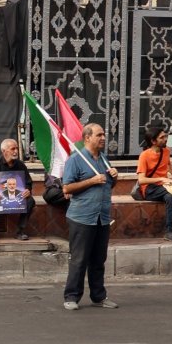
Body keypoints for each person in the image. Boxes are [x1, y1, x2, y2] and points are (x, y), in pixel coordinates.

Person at [59, 122, 119, 311]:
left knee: (98, 259)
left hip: (102, 216)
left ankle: (98, 296)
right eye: (99, 135)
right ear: (87, 137)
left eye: (103, 135)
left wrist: (114, 177)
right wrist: (92, 180)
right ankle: (71, 296)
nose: (103, 138)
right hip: (82, 217)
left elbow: (107, 186)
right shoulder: (75, 160)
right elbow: (67, 188)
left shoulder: (104, 159)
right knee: (79, 259)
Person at [136, 123, 172, 243]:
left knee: (170, 196)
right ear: (153, 141)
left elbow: (168, 164)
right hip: (149, 189)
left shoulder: (166, 151)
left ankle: (169, 232)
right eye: (162, 137)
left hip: (163, 187)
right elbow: (142, 180)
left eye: (165, 136)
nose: (165, 139)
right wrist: (162, 179)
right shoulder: (144, 156)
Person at [0, 138, 34, 241]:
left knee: (30, 201)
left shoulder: (21, 165)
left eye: (17, 149)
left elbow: (28, 182)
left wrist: (28, 190)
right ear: (4, 151)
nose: (16, 151)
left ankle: (20, 231)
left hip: (17, 196)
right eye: (13, 149)